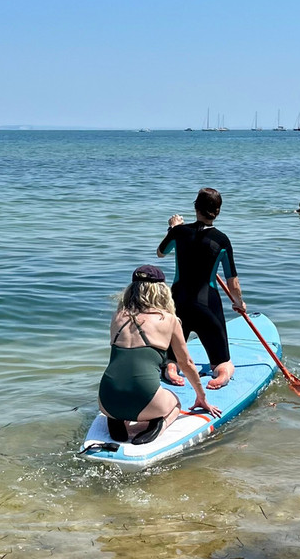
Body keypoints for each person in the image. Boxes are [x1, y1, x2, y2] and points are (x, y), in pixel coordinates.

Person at [98, 265, 221, 444]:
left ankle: (118, 421)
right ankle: (157, 426)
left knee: (127, 392)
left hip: (106, 400)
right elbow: (186, 363)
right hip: (146, 399)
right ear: (161, 291)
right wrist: (201, 397)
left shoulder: (118, 316)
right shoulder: (168, 320)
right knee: (175, 404)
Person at [156, 187, 246, 389]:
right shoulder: (222, 240)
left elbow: (160, 252)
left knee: (171, 357)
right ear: (218, 211)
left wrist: (173, 229)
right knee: (222, 362)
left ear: (195, 207)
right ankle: (221, 375)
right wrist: (239, 303)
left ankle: (171, 369)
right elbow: (233, 282)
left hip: (178, 303)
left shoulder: (179, 232)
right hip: (208, 306)